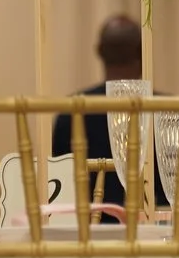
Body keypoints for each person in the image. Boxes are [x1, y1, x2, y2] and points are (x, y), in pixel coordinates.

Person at [49, 15, 139, 164]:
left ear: (99, 51)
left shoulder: (71, 111)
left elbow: (60, 173)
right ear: (142, 52)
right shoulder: (167, 110)